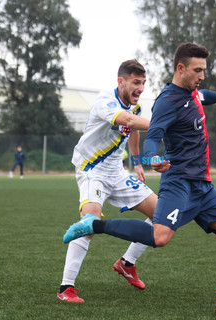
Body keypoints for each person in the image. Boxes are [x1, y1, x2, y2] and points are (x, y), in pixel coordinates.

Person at [63, 43, 216, 313]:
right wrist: (152, 156)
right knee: (158, 236)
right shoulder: (162, 102)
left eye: (204, 70)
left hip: (200, 186)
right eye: (197, 70)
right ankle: (82, 252)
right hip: (127, 175)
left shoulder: (189, 94)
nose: (202, 75)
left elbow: (200, 97)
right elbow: (152, 132)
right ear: (180, 68)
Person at [57, 59, 158, 303]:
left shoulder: (136, 107)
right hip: (92, 170)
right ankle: (65, 288)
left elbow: (133, 128)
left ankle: (127, 263)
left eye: (143, 83)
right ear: (120, 81)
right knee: (89, 223)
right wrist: (166, 127)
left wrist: (136, 162)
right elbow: (129, 122)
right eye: (136, 82)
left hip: (118, 173)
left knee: (163, 214)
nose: (140, 88)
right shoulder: (106, 101)